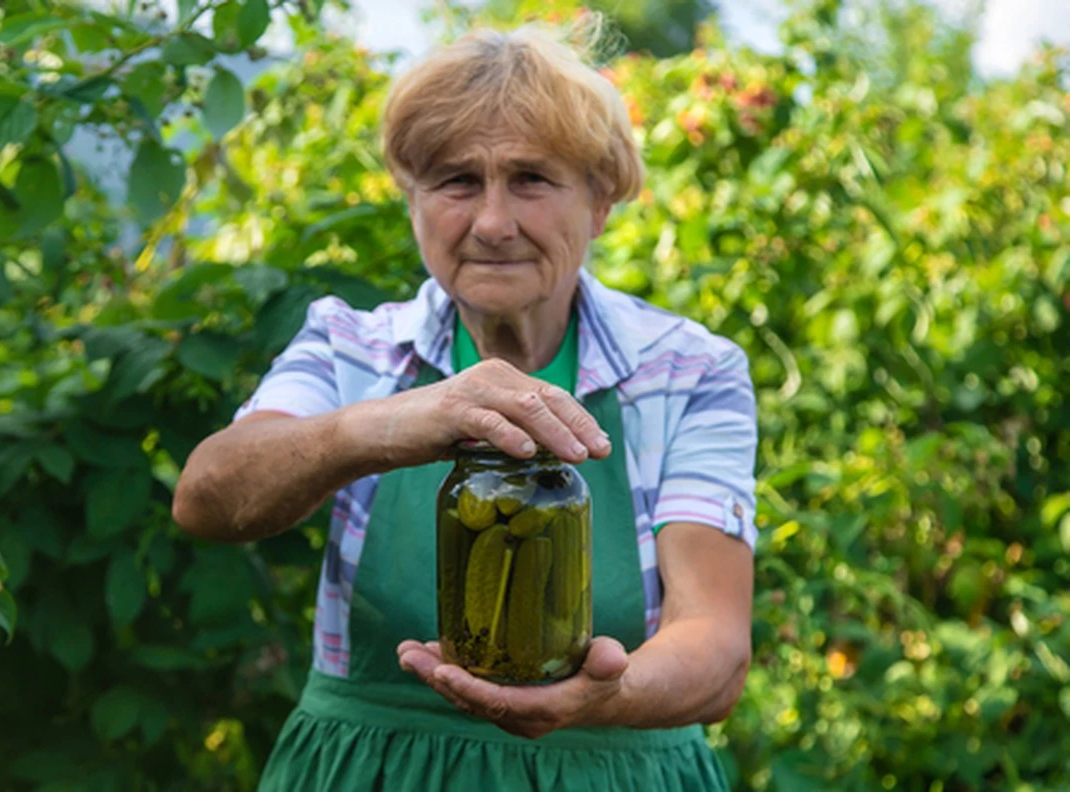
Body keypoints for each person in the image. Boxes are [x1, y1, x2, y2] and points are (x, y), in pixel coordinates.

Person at [173, 17, 758, 791]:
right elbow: (206, 499)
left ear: (600, 200)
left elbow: (715, 648)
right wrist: (391, 423)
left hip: (617, 773)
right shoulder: (350, 347)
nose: (491, 223)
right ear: (411, 199)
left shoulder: (688, 369)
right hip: (369, 773)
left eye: (532, 179)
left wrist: (605, 696)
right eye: (455, 181)